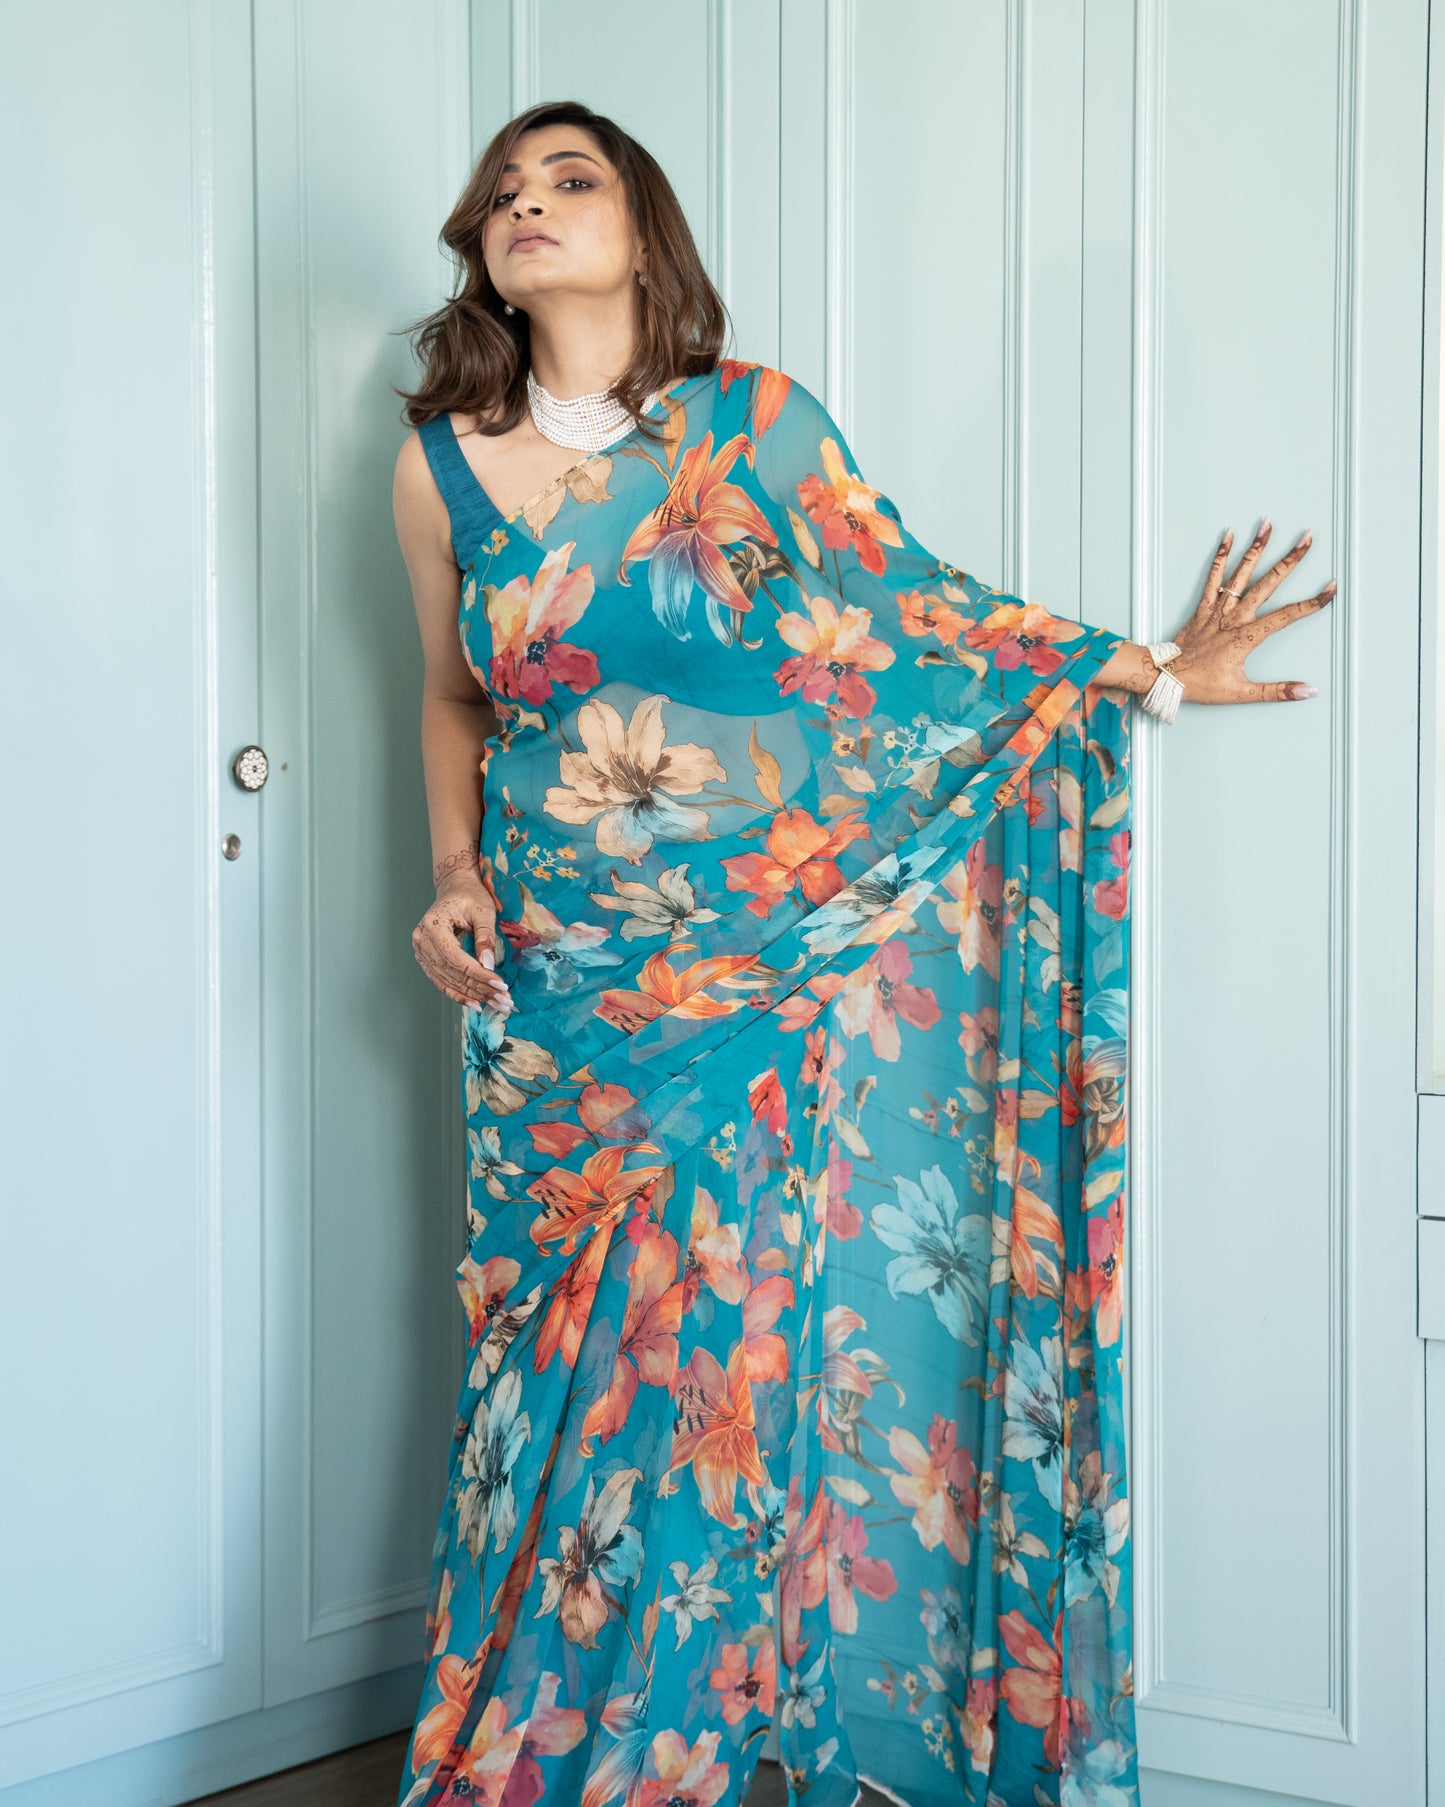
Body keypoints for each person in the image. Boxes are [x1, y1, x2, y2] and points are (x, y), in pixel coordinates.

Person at [388, 99, 1331, 1807]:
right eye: (501, 195)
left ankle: (724, 1716)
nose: (527, 206)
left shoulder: (753, 426)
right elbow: (455, 692)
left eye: (568, 179)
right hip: (555, 988)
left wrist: (1150, 669)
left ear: (638, 226)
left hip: (750, 964)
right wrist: (450, 869)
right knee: (551, 1363)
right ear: (483, 254)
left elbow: (907, 618)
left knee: (726, 1338)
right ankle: (545, 1744)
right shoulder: (439, 463)